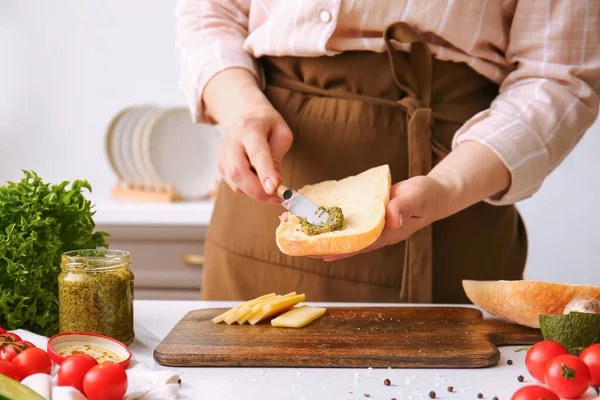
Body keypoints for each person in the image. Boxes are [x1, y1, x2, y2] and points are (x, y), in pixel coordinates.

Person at [174, 1, 600, 303]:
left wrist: (447, 186)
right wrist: (240, 108)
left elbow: (560, 76)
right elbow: (210, 12)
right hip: (265, 191)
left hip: (455, 190)